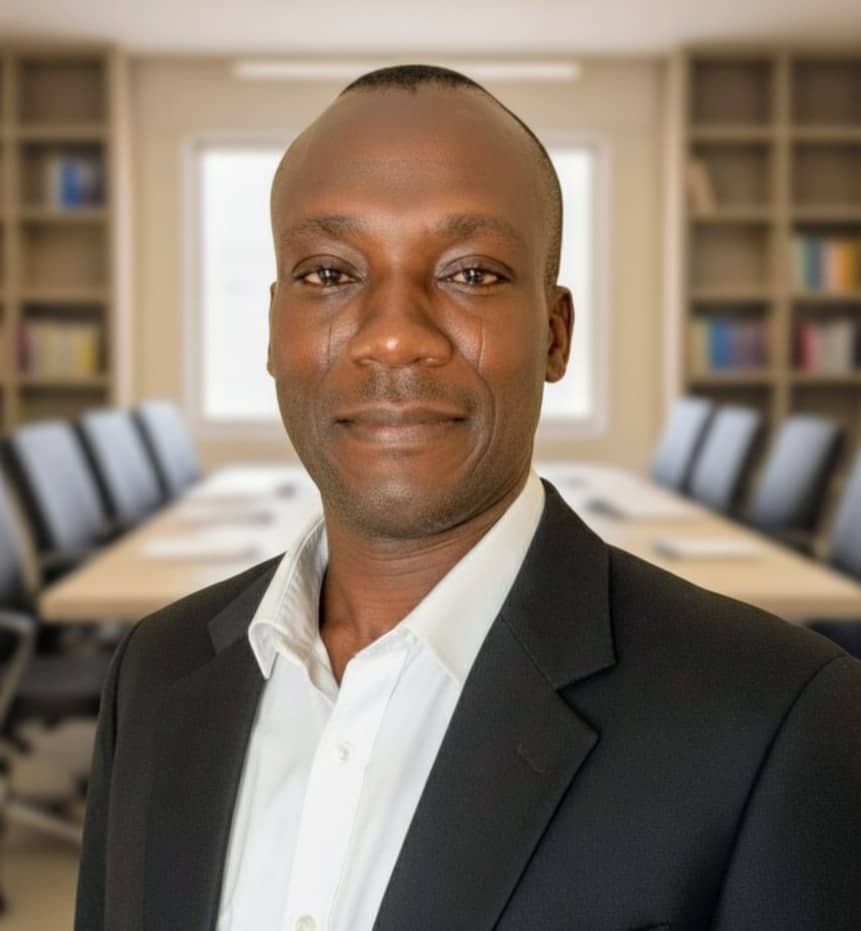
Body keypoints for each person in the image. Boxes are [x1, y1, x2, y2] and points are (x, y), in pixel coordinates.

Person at [75, 66, 861, 931]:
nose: (392, 335)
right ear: (272, 330)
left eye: (473, 273)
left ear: (554, 334)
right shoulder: (157, 672)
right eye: (329, 273)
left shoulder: (774, 723)